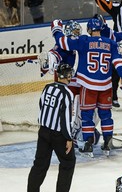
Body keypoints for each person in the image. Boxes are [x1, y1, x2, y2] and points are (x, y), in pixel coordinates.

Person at [51, 17, 122, 156]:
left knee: (87, 116)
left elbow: (62, 42)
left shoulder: (84, 40)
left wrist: (56, 29)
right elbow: (118, 62)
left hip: (88, 85)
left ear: (88, 30)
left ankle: (88, 144)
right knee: (106, 115)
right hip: (106, 86)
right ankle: (107, 142)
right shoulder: (110, 42)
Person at [27, 63, 76, 192]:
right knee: (68, 163)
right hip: (59, 135)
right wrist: (69, 139)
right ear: (68, 75)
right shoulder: (67, 93)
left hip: (43, 131)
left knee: (39, 164)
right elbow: (66, 119)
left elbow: (41, 105)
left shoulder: (47, 87)